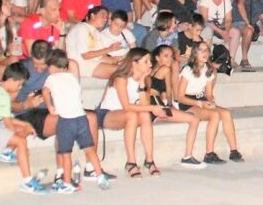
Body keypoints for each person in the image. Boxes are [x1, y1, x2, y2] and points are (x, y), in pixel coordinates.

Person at [41, 49, 112, 192]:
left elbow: (45, 91)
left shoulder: (52, 79)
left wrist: (50, 106)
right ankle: (100, 176)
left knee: (66, 153)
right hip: (81, 118)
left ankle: (66, 183)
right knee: (90, 149)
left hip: (66, 120)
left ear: (51, 66)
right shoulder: (72, 78)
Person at [0, 62, 48, 194]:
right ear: (11, 80)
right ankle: (27, 182)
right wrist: (23, 148)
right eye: (19, 85)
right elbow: (9, 126)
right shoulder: (2, 97)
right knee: (21, 141)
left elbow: (9, 120)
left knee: (24, 130)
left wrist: (26, 125)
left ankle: (7, 152)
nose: (19, 89)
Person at [96, 48, 167, 178]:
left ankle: (149, 160)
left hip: (128, 113)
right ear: (134, 63)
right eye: (146, 61)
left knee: (144, 115)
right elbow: (126, 106)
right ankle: (131, 162)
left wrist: (142, 83)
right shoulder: (121, 78)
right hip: (107, 114)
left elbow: (144, 105)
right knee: (132, 115)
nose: (150, 64)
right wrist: (152, 108)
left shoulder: (145, 79)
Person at [175, 42, 245, 164]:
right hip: (188, 102)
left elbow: (208, 93)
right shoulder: (188, 70)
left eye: (206, 50)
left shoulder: (209, 70)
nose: (205, 53)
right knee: (214, 115)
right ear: (195, 53)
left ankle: (234, 151)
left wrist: (211, 100)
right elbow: (180, 97)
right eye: (201, 50)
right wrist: (201, 104)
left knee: (226, 113)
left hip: (201, 100)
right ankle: (209, 153)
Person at [65, 6, 121, 79]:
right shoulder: (81, 28)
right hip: (81, 65)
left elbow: (101, 57)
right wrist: (109, 49)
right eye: (103, 16)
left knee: (126, 67)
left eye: (106, 18)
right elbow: (85, 55)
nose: (105, 19)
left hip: (94, 63)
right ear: (92, 15)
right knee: (122, 71)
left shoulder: (97, 33)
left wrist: (117, 60)